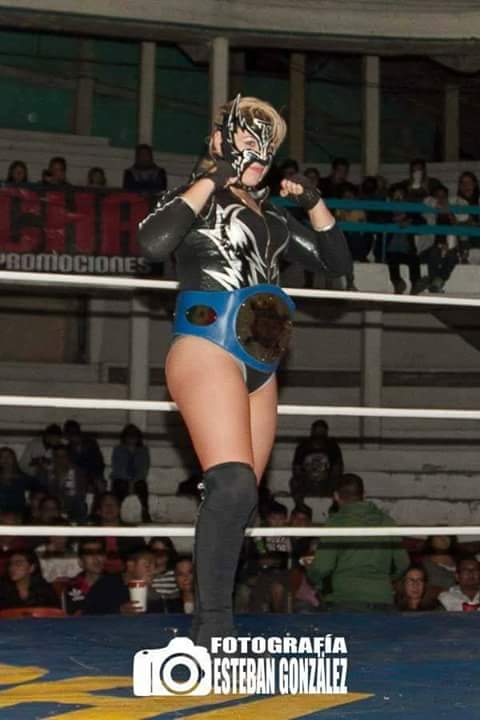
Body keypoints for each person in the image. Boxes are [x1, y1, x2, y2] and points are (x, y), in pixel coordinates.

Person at [137, 94, 352, 645]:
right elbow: (153, 243)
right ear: (219, 141)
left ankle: (217, 617)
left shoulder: (272, 220)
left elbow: (336, 263)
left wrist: (315, 200)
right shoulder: (196, 199)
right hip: (207, 344)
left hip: (261, 362)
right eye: (248, 143)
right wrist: (213, 175)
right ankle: (212, 630)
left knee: (238, 498)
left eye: (267, 149)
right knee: (232, 486)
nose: (259, 156)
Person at [305, 474, 410, 610]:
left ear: (336, 496)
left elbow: (322, 567)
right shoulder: (387, 521)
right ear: (364, 494)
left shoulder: (336, 523)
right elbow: (403, 563)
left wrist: (311, 574)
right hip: (382, 599)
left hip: (345, 599)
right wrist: (381, 581)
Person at [83, 547, 168, 615]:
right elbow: (89, 614)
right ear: (130, 565)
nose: (152, 571)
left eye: (154, 566)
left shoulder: (153, 588)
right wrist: (120, 611)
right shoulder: (107, 585)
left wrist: (149, 590)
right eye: (147, 565)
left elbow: (159, 618)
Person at [290, 419, 343, 501]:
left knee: (339, 482)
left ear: (326, 432)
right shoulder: (302, 446)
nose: (319, 434)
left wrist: (327, 478)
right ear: (312, 431)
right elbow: (296, 468)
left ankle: (333, 505)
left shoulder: (333, 446)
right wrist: (307, 478)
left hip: (326, 482)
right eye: (317, 430)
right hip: (307, 481)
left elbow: (337, 469)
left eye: (322, 431)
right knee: (294, 482)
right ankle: (300, 506)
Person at [111, 423, 150, 517]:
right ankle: (117, 513)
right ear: (124, 437)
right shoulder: (118, 450)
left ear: (138, 437)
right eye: (129, 435)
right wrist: (129, 482)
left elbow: (143, 469)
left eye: (134, 435)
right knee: (120, 485)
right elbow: (118, 468)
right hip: (122, 479)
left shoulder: (143, 450)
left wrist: (133, 482)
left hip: (137, 480)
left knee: (142, 485)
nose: (132, 438)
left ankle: (145, 511)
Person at [65, 538, 107, 615]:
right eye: (89, 553)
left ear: (105, 558)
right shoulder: (71, 586)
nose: (96, 558)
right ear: (80, 562)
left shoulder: (115, 584)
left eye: (99, 552)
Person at [0, 446, 37, 515]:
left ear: (14, 459)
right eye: (2, 457)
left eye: (8, 456)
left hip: (19, 515)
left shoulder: (25, 479)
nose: (5, 459)